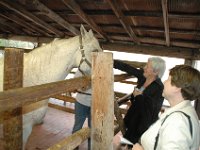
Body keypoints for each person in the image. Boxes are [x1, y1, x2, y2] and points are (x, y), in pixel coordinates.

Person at [132, 65, 200, 150]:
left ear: (178, 87)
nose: (164, 82)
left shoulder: (178, 121)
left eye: (168, 79)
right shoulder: (185, 111)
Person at [114, 57, 166, 144]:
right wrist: (111, 62)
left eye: (147, 66)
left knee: (130, 145)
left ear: (155, 72)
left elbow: (150, 111)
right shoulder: (143, 76)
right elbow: (127, 68)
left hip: (142, 125)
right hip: (133, 119)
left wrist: (138, 97)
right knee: (126, 144)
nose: (144, 67)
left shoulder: (159, 88)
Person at [72, 70, 92, 150]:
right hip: (81, 101)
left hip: (95, 103)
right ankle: (74, 147)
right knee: (77, 126)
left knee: (92, 129)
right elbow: (74, 83)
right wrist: (79, 86)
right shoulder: (83, 67)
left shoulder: (102, 69)